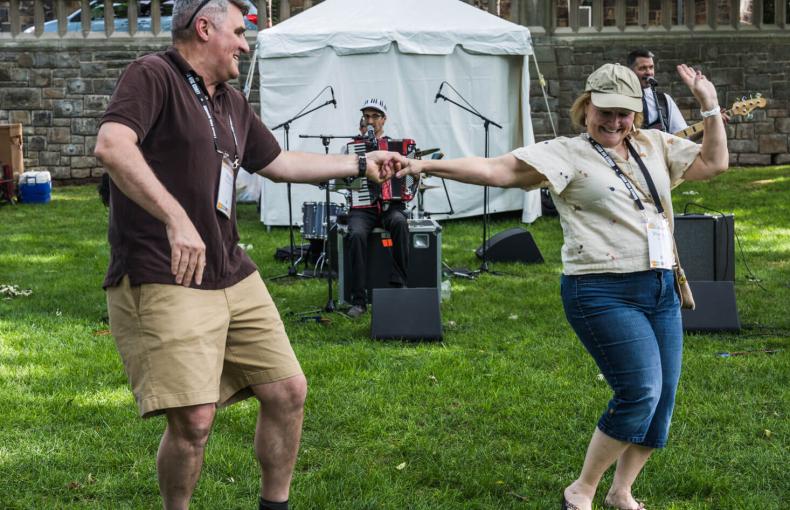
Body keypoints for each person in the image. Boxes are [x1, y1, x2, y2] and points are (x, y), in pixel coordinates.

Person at [93, 1, 403, 509]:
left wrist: (361, 161)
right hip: (166, 271)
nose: (245, 43)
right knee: (194, 420)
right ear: (204, 27)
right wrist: (176, 219)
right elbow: (112, 145)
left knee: (287, 391)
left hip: (231, 272)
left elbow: (278, 162)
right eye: (239, 32)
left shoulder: (231, 101)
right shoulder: (152, 75)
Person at [396, 63, 728, 510]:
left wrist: (709, 105)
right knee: (640, 392)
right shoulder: (566, 153)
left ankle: (621, 490)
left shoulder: (653, 145)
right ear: (586, 106)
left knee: (662, 399)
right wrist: (423, 165)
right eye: (604, 112)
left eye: (624, 114)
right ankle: (583, 488)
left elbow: (713, 163)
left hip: (661, 286)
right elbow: (497, 170)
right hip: (600, 290)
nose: (614, 123)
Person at [343, 98, 410, 319]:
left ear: (384, 120)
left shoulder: (396, 147)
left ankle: (399, 285)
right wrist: (352, 173)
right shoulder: (352, 147)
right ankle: (359, 300)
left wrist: (412, 175)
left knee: (400, 223)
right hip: (363, 207)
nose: (370, 120)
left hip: (391, 205)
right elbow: (343, 179)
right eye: (367, 116)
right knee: (356, 234)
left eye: (375, 116)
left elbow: (407, 177)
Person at [627, 49, 689, 134]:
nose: (649, 72)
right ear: (630, 71)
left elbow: (682, 132)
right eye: (643, 68)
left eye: (651, 67)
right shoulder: (622, 97)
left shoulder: (664, 99)